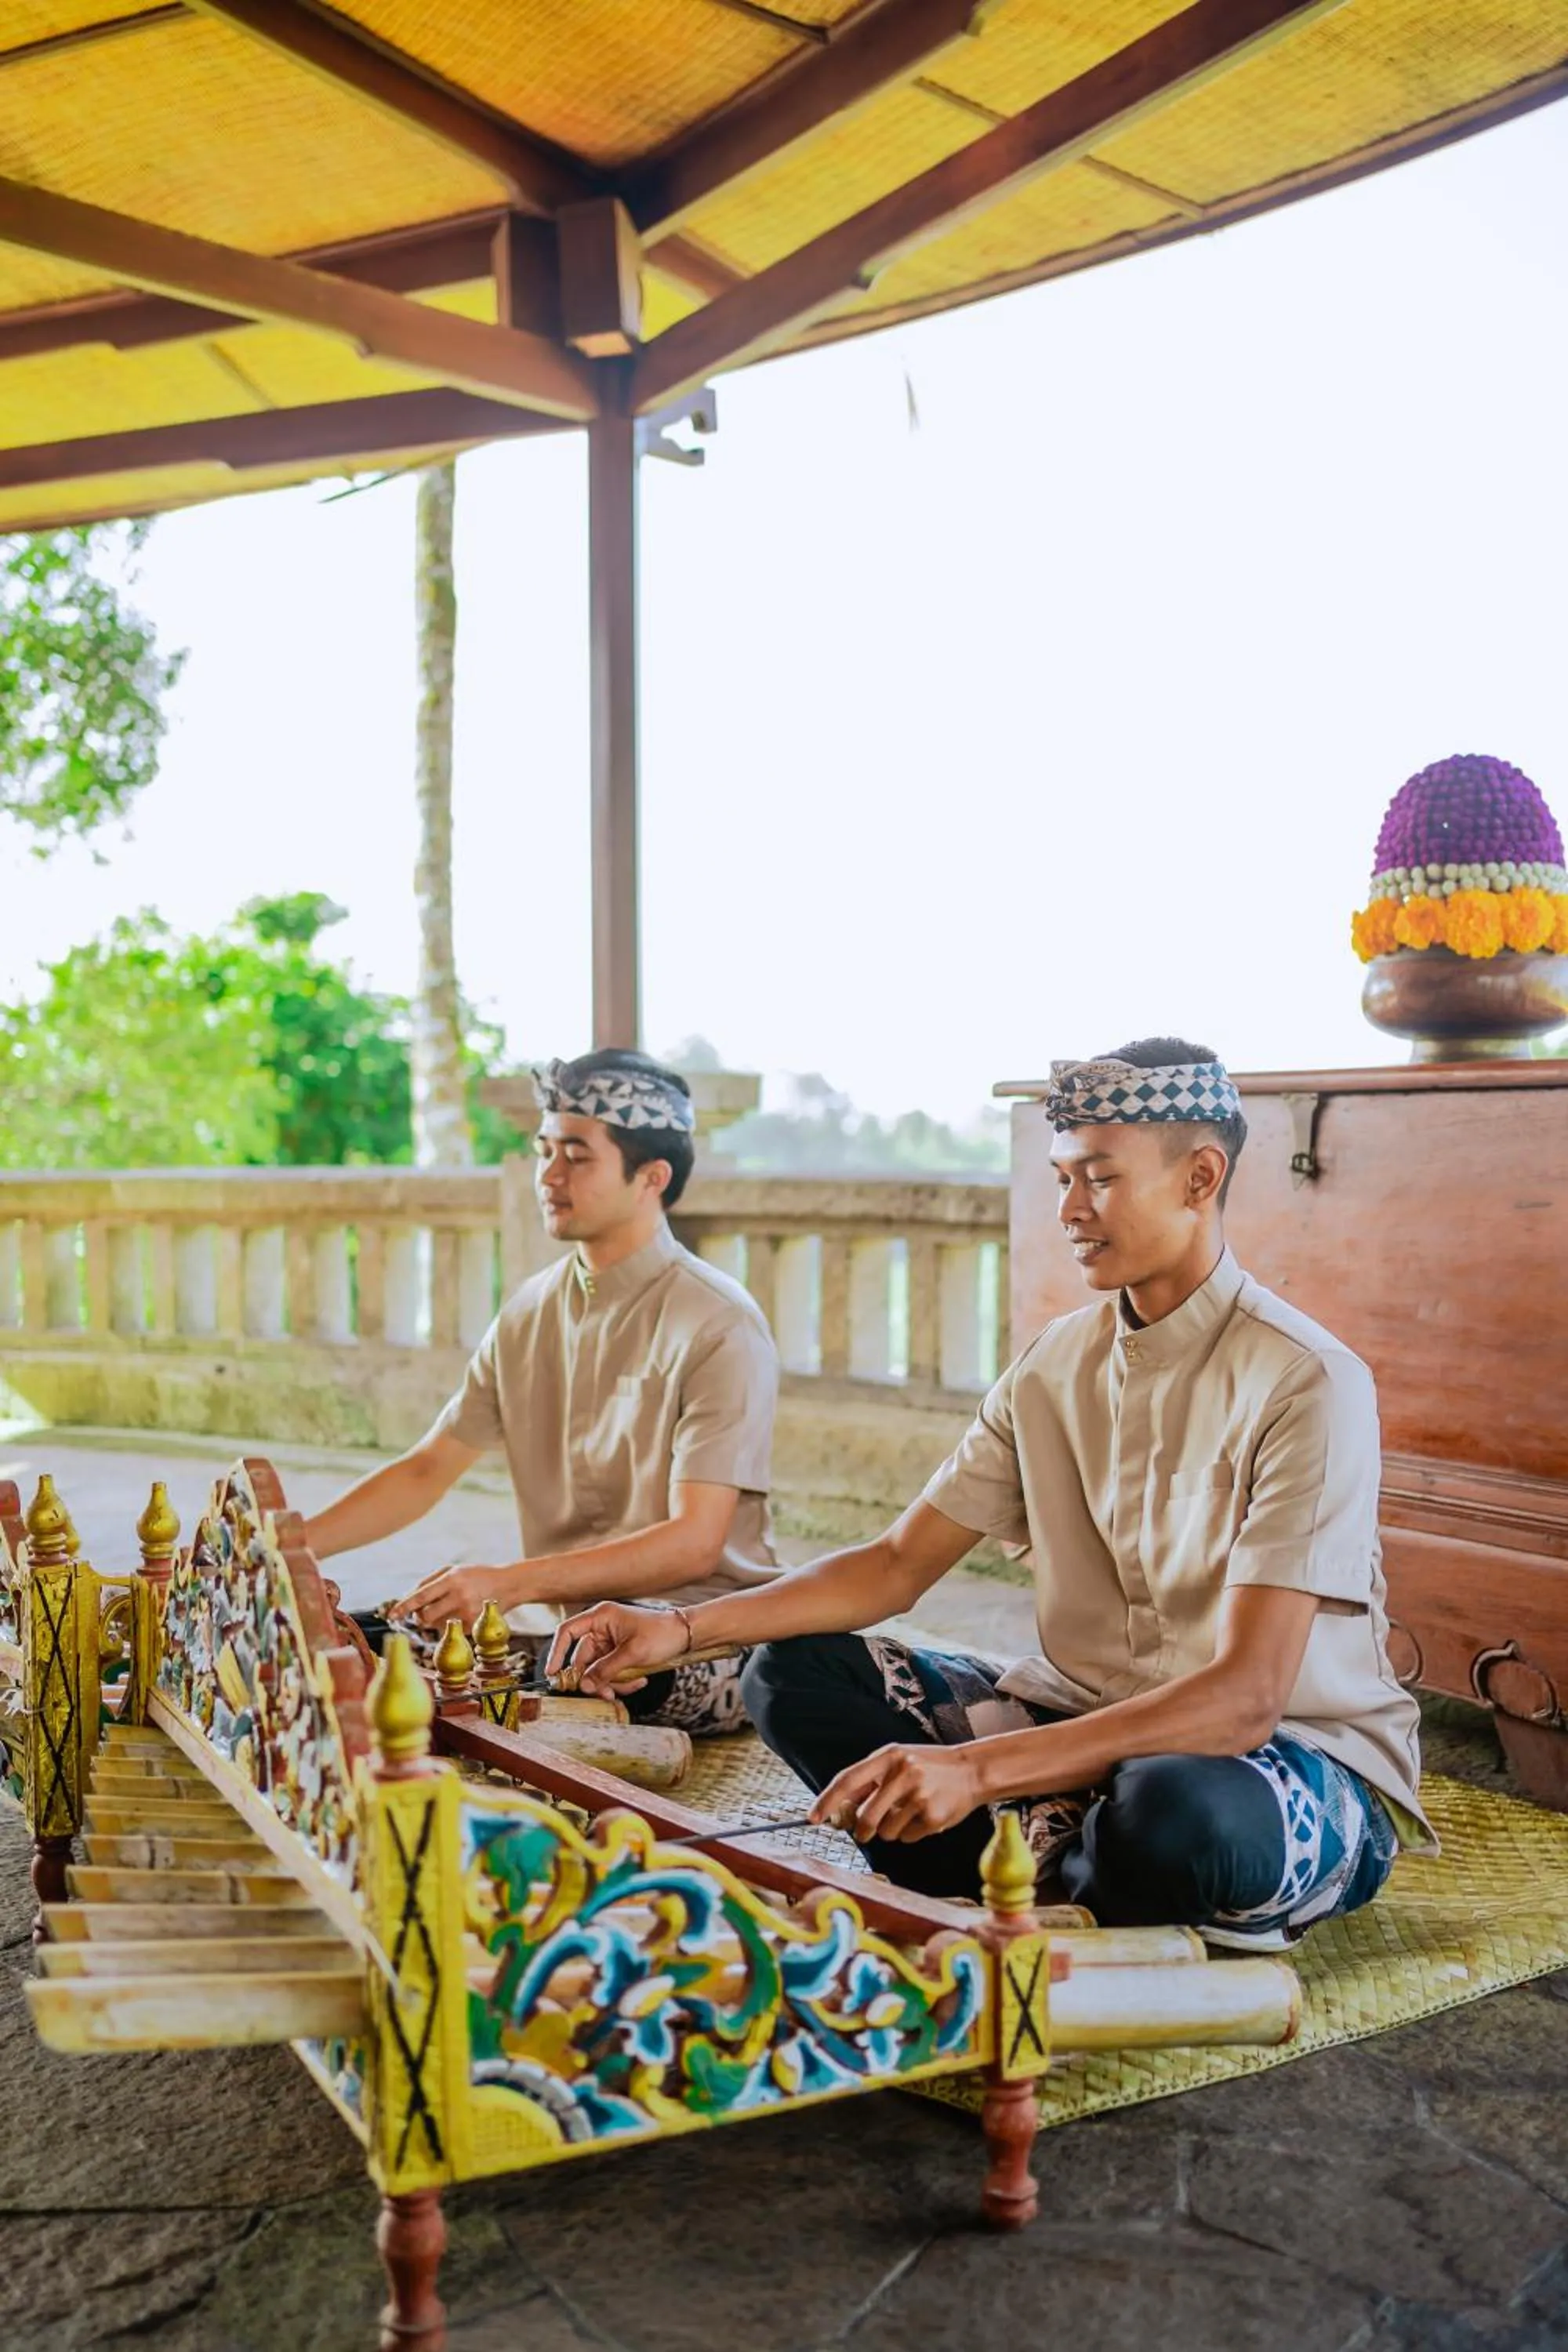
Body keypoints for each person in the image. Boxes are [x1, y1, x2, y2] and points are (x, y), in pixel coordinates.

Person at [545, 1038, 1432, 1944]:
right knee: (793, 1671)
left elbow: (1241, 1699)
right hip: (1071, 1719)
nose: (1070, 1210)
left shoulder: (1307, 1380)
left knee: (1173, 1811)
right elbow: (895, 1565)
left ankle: (1050, 1862)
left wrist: (978, 1773)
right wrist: (678, 1630)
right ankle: (1071, 1872)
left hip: (1266, 1753)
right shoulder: (1054, 1363)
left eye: (1098, 1178)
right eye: (1059, 1179)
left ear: (1199, 1178)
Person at [300, 1047, 781, 1735]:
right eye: (542, 1150)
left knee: (602, 1674)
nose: (549, 1176)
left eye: (577, 1156)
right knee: (360, 1642)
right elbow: (429, 1466)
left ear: (652, 1176)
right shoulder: (529, 1311)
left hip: (691, 1637)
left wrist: (506, 1582)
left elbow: (695, 1544)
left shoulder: (718, 1322)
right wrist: (293, 1551)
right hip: (557, 1631)